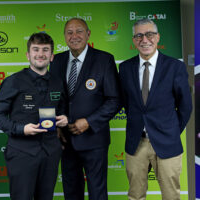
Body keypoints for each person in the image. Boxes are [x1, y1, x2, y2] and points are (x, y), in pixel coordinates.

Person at [119, 18, 192, 200]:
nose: (145, 40)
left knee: (171, 195)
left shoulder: (175, 66)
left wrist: (172, 130)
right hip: (137, 143)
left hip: (168, 142)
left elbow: (185, 106)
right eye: (139, 35)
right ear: (134, 40)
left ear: (158, 37)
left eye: (150, 34)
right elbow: (126, 103)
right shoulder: (125, 68)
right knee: (135, 195)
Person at [49, 18, 121, 200]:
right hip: (66, 141)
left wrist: (89, 122)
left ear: (88, 34)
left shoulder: (104, 60)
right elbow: (51, 98)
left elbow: (115, 99)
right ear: (64, 36)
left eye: (79, 31)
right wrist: (55, 125)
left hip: (94, 140)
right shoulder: (56, 61)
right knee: (71, 193)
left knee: (97, 193)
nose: (74, 36)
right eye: (69, 32)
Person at [0, 32, 68, 200]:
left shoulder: (58, 82)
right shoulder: (14, 81)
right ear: (28, 55)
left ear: (52, 56)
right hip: (22, 152)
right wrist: (21, 129)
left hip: (50, 153)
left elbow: (63, 109)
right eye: (36, 49)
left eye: (45, 50)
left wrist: (65, 119)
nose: (40, 54)